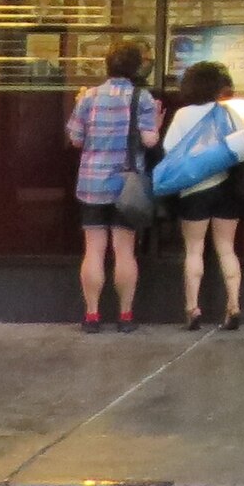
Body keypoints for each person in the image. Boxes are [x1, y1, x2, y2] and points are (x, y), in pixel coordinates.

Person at [64, 43, 160, 331]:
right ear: (135, 68)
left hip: (92, 184)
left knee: (93, 250)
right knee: (124, 251)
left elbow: (76, 139)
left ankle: (92, 316)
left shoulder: (89, 97)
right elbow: (150, 141)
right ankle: (125, 316)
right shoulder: (142, 98)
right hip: (126, 185)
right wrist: (156, 120)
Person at [163, 60, 244, 331]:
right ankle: (234, 305)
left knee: (194, 249)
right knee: (227, 248)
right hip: (228, 189)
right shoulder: (228, 113)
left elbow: (170, 150)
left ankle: (193, 308)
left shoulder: (182, 115)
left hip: (194, 190)